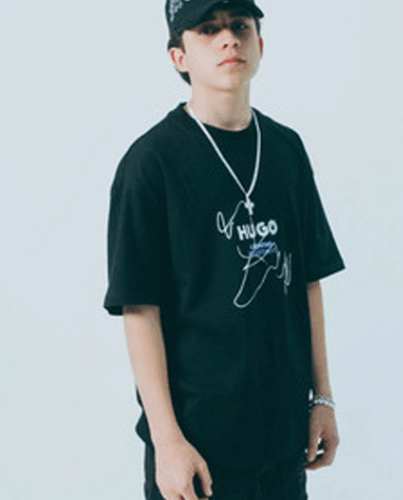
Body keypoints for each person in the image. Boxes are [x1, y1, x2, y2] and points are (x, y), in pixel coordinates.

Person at [104, 1, 345, 498]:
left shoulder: (286, 150)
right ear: (179, 57)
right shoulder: (151, 164)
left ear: (261, 44)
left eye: (239, 26)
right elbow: (139, 309)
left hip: (283, 438)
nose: (228, 39)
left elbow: (308, 281)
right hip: (199, 444)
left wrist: (322, 398)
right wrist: (167, 441)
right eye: (208, 30)